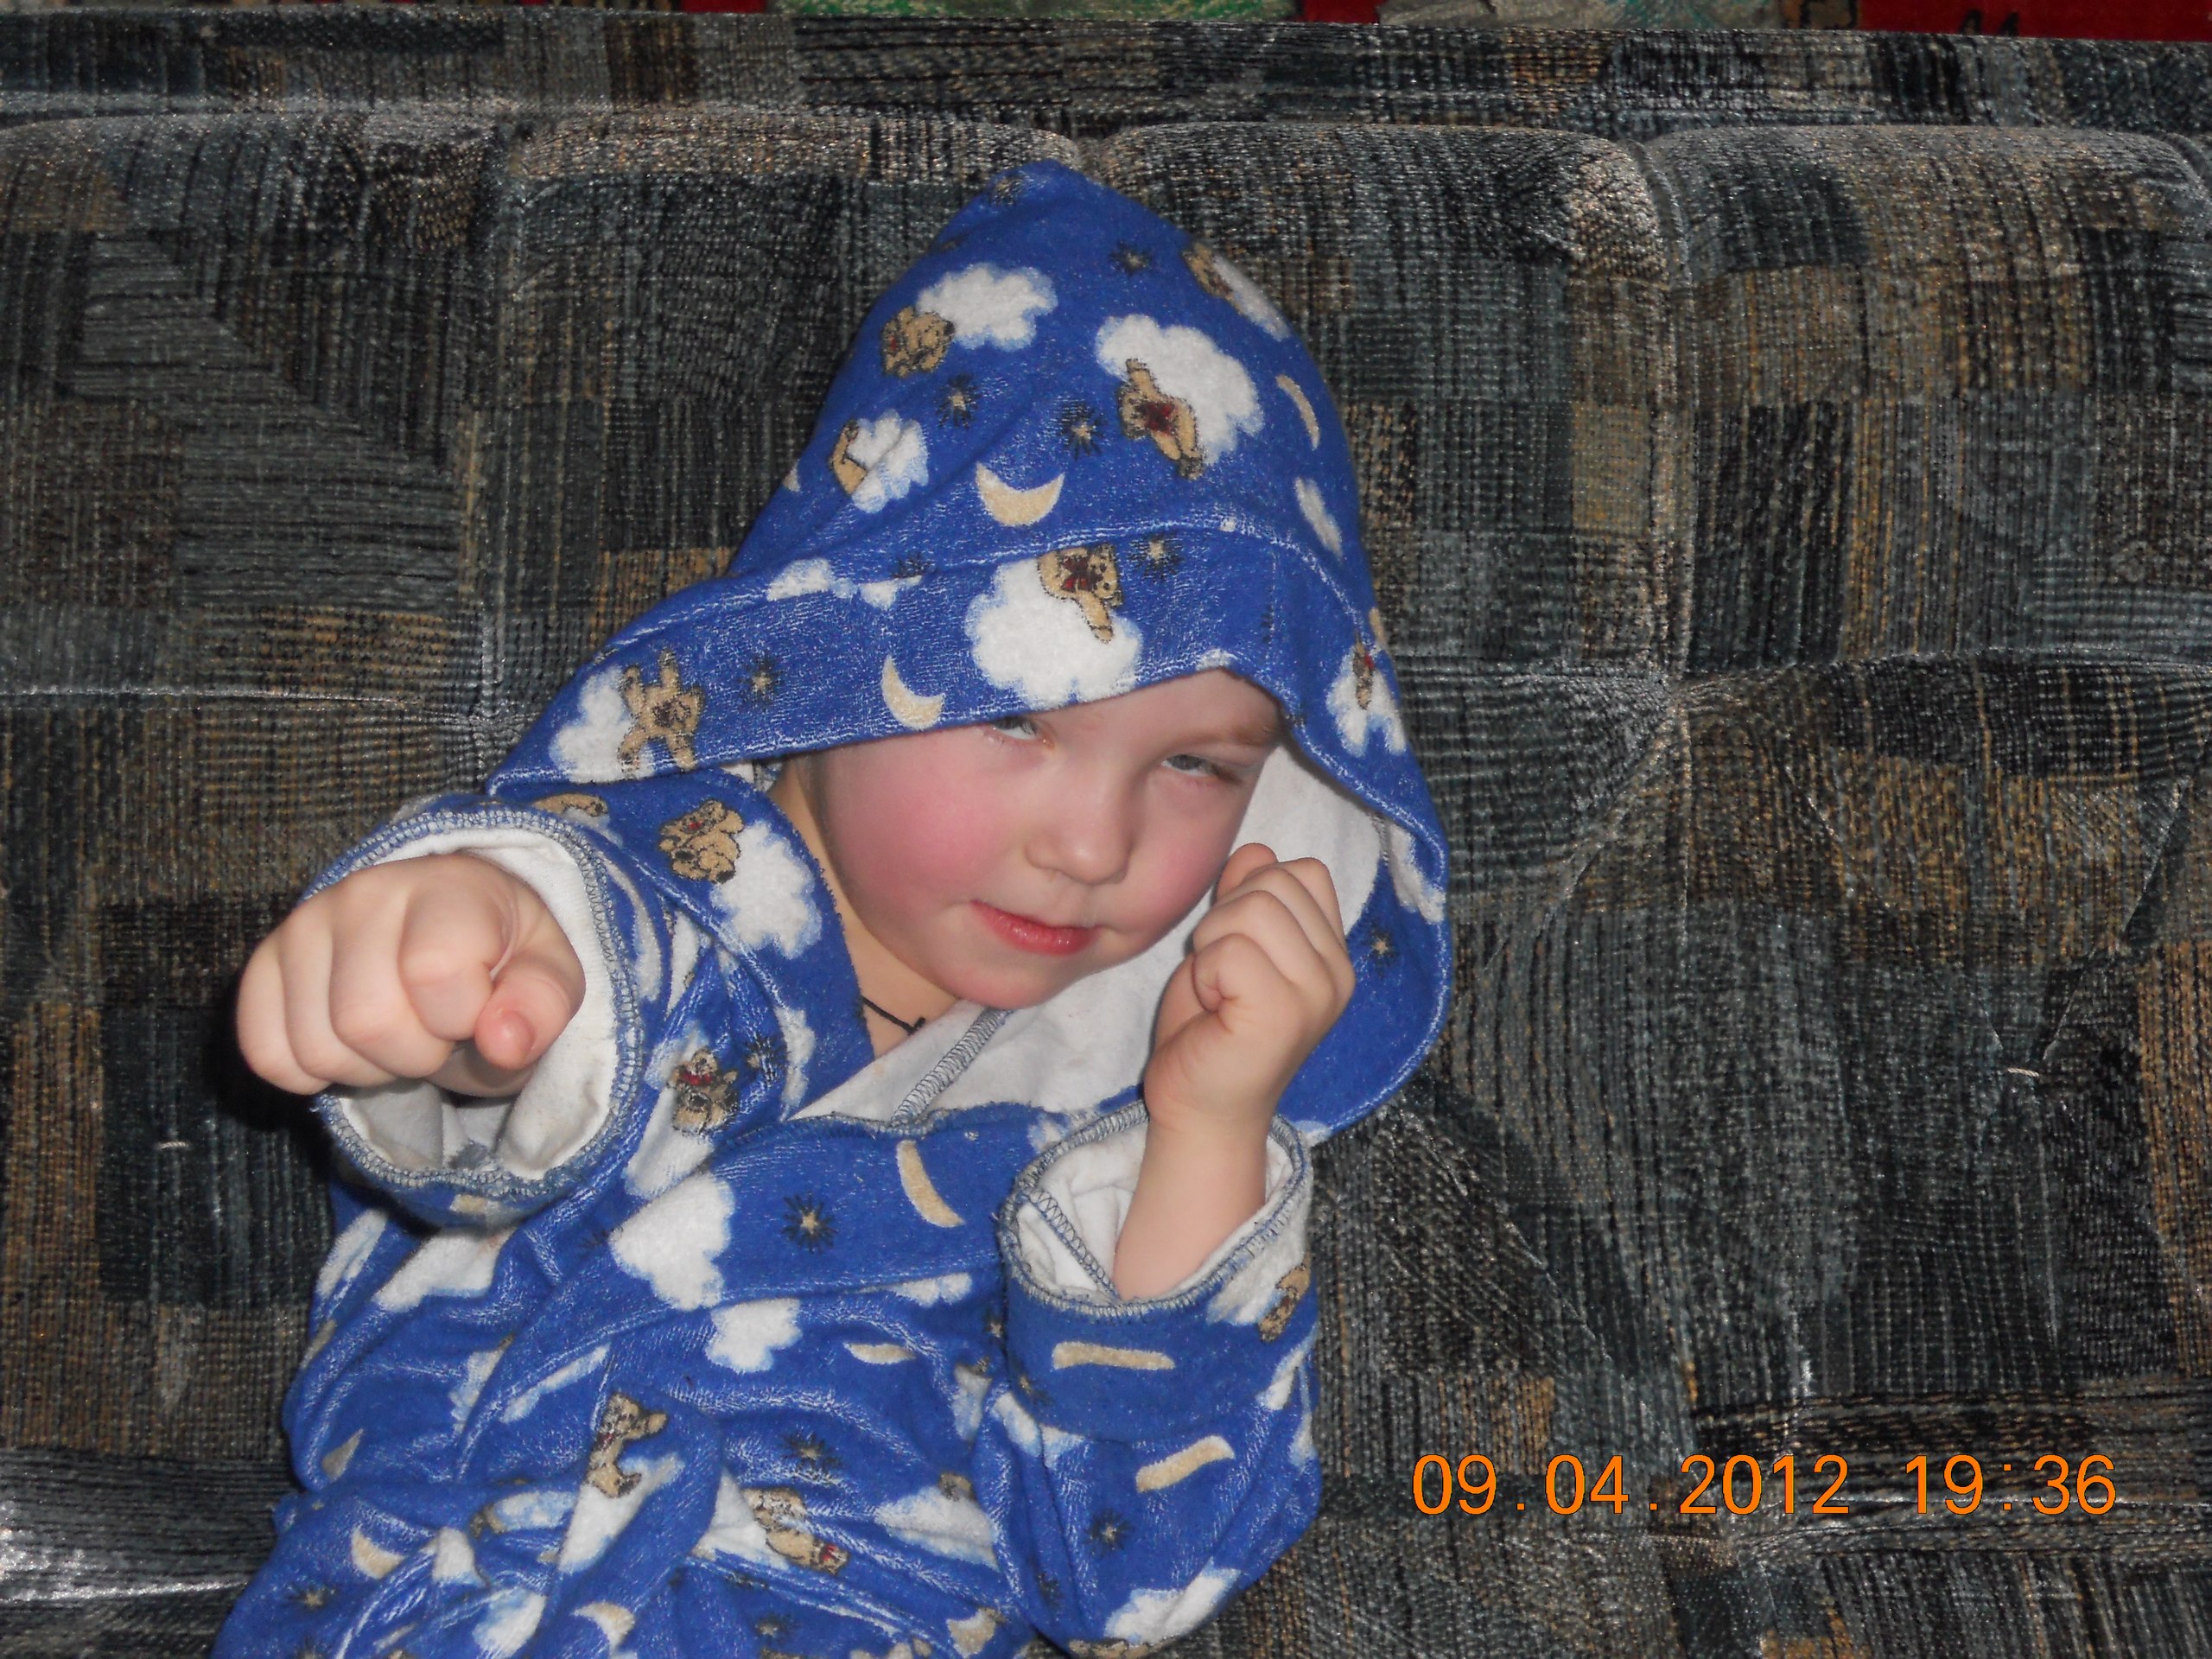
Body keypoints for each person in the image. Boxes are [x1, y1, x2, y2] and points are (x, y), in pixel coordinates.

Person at [217, 158, 1452, 1659]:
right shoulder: (655, 901)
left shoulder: (1131, 1105)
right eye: (1015, 715)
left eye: (1196, 765)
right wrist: (456, 960)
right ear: (830, 664)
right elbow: (543, 1010)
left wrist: (1207, 1136)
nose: (1094, 842)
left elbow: (1133, 1583)